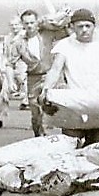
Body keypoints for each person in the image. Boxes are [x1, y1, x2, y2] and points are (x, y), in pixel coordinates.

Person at [44, 8, 99, 145]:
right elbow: (55, 70)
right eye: (80, 26)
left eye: (88, 26)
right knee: (71, 148)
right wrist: (46, 90)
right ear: (72, 27)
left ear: (94, 26)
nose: (84, 30)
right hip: (74, 107)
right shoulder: (64, 46)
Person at [14, 9, 64, 137]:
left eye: (32, 22)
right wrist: (10, 80)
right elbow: (10, 62)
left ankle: (55, 136)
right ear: (23, 24)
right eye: (27, 23)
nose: (30, 26)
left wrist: (56, 18)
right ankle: (38, 136)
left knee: (53, 107)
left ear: (36, 22)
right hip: (33, 78)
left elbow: (65, 31)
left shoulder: (46, 34)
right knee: (35, 111)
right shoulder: (19, 42)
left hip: (49, 75)